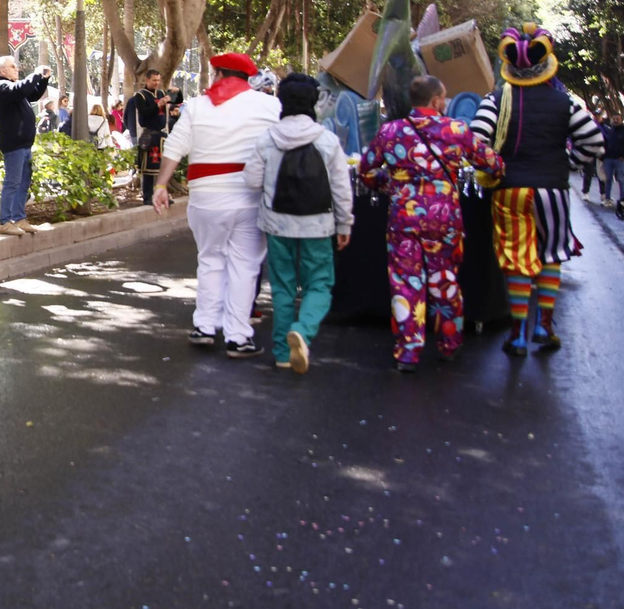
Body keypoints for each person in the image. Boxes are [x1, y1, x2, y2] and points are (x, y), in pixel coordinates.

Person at [470, 24, 604, 355]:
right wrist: (569, 162)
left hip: (509, 191)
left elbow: (475, 143)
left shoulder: (495, 100)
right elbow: (594, 141)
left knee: (517, 260)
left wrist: (495, 167)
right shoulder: (565, 102)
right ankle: (545, 325)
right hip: (553, 190)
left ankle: (517, 335)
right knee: (551, 255)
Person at [360, 75, 503, 370]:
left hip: (403, 218)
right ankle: (449, 343)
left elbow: (366, 170)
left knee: (405, 282)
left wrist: (391, 184)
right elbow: (493, 164)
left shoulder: (390, 131)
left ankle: (408, 352)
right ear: (436, 101)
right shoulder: (456, 129)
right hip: (445, 219)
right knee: (444, 278)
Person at [152, 52, 280, 357]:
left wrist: (160, 185)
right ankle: (238, 336)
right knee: (245, 266)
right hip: (250, 198)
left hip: (206, 197)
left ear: (219, 74)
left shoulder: (197, 106)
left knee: (210, 259)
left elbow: (175, 147)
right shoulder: (270, 106)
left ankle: (205, 326)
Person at [245, 74, 352, 374]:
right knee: (320, 284)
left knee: (282, 286)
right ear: (313, 102)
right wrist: (344, 224)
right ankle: (302, 330)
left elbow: (251, 180)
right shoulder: (327, 140)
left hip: (277, 225)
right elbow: (341, 189)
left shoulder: (267, 139)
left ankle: (282, 353)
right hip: (318, 226)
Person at [0, 56, 50, 237]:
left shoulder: (14, 89)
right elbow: (21, 88)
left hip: (24, 145)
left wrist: (44, 79)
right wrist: (36, 74)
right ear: (2, 71)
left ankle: (19, 218)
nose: (17, 69)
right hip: (14, 144)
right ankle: (4, 221)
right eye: (12, 66)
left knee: (23, 184)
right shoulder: (1, 87)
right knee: (12, 183)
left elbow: (33, 93)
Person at [124, 71, 167, 204]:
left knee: (162, 168)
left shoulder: (161, 93)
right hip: (149, 135)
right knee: (148, 167)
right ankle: (148, 196)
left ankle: (161, 195)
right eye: (154, 80)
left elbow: (176, 101)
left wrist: (176, 93)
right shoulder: (140, 96)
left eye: (158, 80)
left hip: (161, 135)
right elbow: (144, 113)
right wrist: (158, 105)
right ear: (147, 80)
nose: (156, 83)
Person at [602, 117, 624, 207]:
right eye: (614, 119)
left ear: (621, 120)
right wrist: (603, 156)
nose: (615, 120)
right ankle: (607, 198)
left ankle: (623, 199)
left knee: (621, 179)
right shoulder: (609, 131)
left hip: (619, 159)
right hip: (608, 158)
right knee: (608, 179)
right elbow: (604, 143)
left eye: (617, 119)